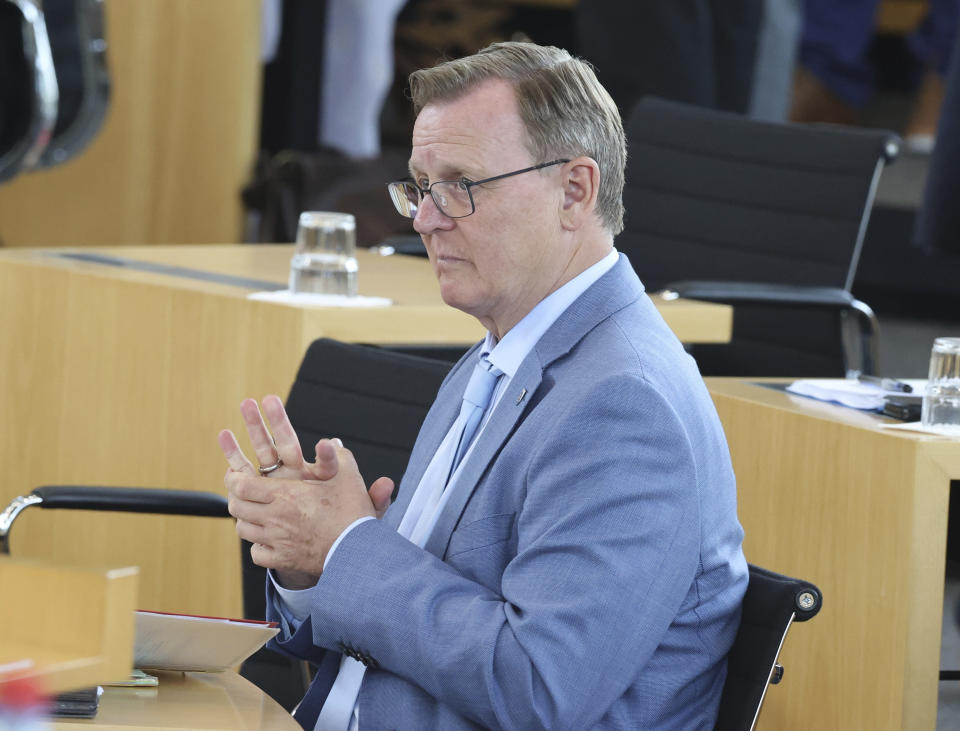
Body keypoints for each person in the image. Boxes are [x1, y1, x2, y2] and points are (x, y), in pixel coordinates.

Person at [219, 42, 748, 730]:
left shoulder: (625, 404)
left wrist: (350, 546)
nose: (424, 217)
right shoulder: (494, 356)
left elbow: (537, 687)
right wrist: (312, 562)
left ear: (574, 191)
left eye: (460, 184)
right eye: (419, 184)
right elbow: (416, 610)